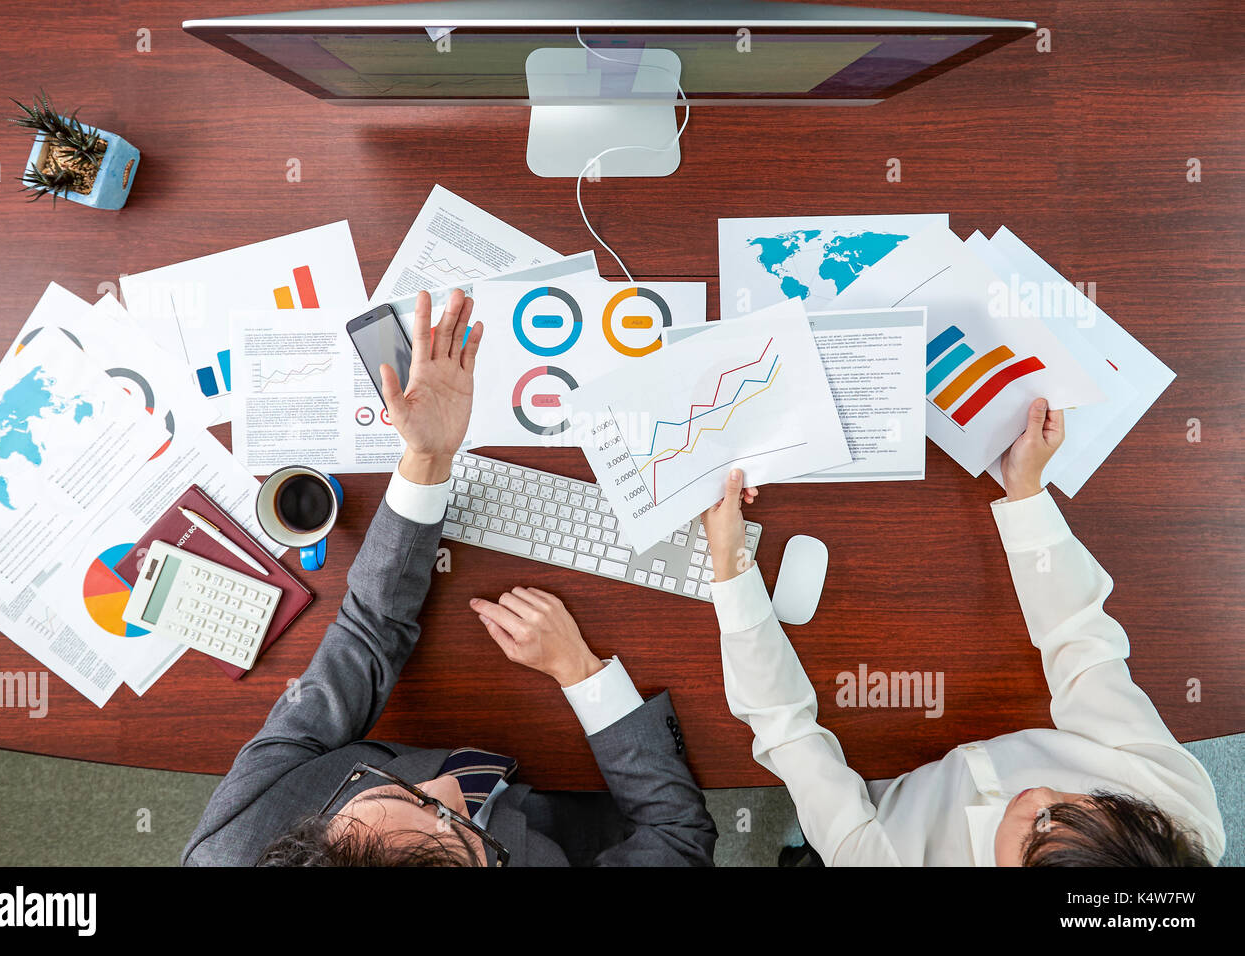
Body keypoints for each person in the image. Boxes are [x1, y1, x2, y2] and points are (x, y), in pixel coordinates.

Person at [182, 290, 716, 867]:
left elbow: (366, 634)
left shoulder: (235, 846)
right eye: (455, 825)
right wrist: (583, 675)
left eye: (386, 789)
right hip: (582, 823)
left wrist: (427, 459)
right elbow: (678, 839)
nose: (443, 784)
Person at [700, 400, 1225, 866]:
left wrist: (729, 562)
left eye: (1030, 841)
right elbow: (1081, 641)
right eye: (1080, 806)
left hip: (882, 797)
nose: (1038, 796)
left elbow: (788, 731)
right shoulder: (1174, 820)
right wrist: (1024, 490)